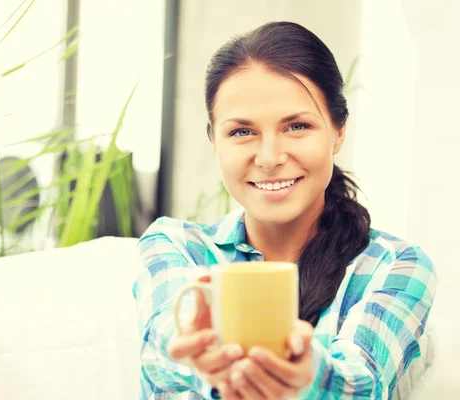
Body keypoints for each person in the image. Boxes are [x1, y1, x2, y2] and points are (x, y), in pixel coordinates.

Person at [132, 21, 436, 400]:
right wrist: (200, 357)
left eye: (297, 126)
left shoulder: (395, 266)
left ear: (338, 131)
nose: (270, 157)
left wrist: (308, 376)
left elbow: (363, 382)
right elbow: (167, 343)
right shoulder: (175, 246)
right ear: (215, 142)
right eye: (242, 132)